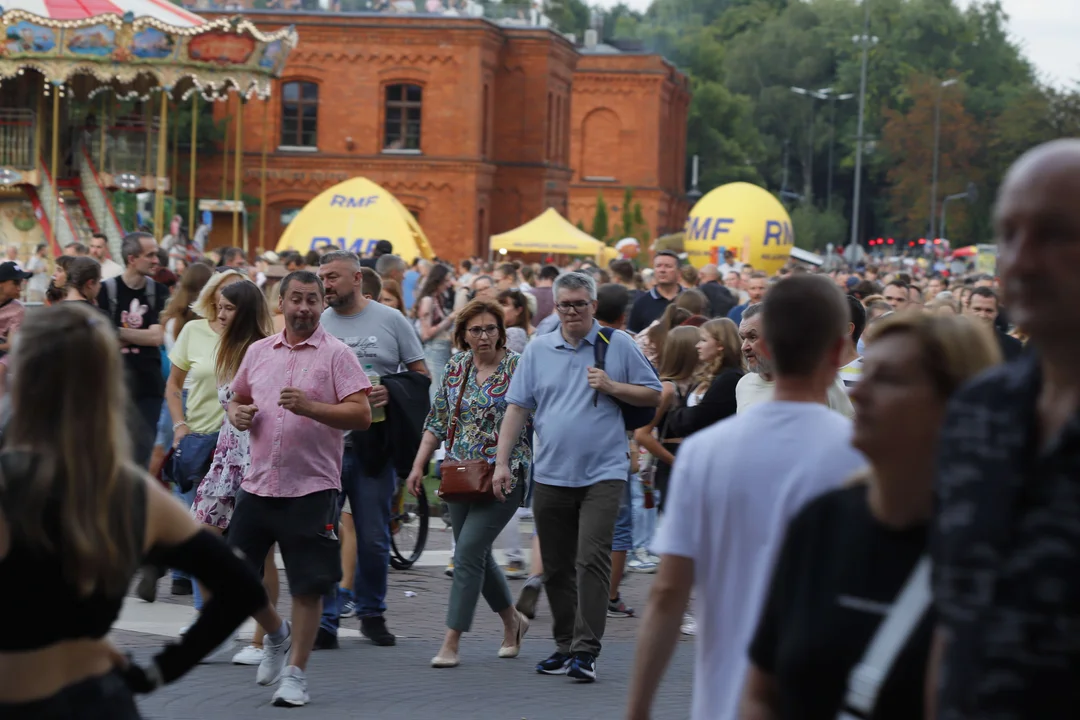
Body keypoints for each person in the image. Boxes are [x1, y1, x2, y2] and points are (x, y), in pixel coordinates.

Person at [0, 303, 270, 719]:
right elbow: (241, 589)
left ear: (21, 378)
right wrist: (157, 672)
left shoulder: (13, 483)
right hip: (100, 700)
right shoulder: (128, 491)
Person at [627, 275, 868, 720]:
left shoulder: (704, 454)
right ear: (837, 353)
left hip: (728, 691)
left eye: (754, 337)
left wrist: (638, 707)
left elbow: (667, 593)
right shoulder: (860, 459)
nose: (747, 346)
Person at [741, 312, 1000, 720]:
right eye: (867, 373)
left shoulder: (990, 550)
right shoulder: (822, 521)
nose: (860, 393)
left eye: (890, 379)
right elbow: (760, 692)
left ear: (955, 402)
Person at [930, 140, 1080, 719]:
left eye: (1054, 233)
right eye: (1010, 234)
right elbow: (952, 622)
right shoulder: (978, 411)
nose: (1022, 259)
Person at [497, 271, 661, 682]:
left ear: (593, 306)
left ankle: (586, 651)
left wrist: (612, 385)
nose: (571, 311)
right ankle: (565, 645)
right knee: (554, 566)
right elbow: (518, 407)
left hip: (603, 472)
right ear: (555, 306)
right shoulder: (539, 349)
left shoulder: (615, 344)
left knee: (591, 559)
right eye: (564, 304)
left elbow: (653, 393)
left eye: (579, 304)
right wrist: (502, 462)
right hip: (551, 472)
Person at [226, 270, 372, 707]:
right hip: (258, 483)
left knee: (308, 587)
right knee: (233, 574)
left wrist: (311, 407)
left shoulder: (337, 355)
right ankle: (275, 634)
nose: (304, 308)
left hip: (311, 488)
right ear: (281, 303)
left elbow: (362, 414)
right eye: (296, 299)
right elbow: (237, 398)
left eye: (311, 299)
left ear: (321, 304)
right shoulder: (258, 351)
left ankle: (296, 675)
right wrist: (237, 414)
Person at [405, 299, 532, 668]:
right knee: (472, 552)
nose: (484, 336)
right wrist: (418, 465)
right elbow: (437, 420)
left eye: (491, 328)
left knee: (466, 553)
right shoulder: (457, 366)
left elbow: (531, 417)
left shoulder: (517, 367)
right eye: (475, 330)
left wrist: (507, 463)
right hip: (460, 474)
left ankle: (451, 642)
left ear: (501, 332)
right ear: (462, 336)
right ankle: (513, 622)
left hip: (503, 476)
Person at [316, 251, 428, 650]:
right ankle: (326, 620)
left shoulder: (391, 320)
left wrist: (391, 390)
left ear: (357, 278)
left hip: (373, 447)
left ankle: (371, 613)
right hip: (324, 447)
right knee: (323, 535)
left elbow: (421, 378)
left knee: (374, 537)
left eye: (333, 277)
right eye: (322, 277)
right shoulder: (318, 322)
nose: (326, 285)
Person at [187, 280, 278, 667]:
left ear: (245, 312)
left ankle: (265, 640)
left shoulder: (263, 350)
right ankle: (219, 627)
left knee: (261, 555)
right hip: (226, 457)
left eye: (227, 308)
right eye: (218, 308)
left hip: (256, 459)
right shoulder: (224, 347)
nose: (220, 315)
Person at [164, 270, 247, 610]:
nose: (227, 307)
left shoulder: (256, 338)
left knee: (238, 537)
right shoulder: (193, 331)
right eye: (223, 299)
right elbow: (172, 385)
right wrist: (179, 425)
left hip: (241, 446)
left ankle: (234, 609)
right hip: (198, 441)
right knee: (202, 534)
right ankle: (207, 614)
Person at [97, 232, 167, 470]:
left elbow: (157, 337)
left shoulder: (158, 291)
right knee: (112, 454)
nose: (156, 260)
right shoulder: (106, 290)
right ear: (132, 258)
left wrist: (118, 332)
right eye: (151, 255)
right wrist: (141, 335)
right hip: (113, 386)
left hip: (149, 388)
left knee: (141, 456)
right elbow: (103, 339)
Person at [736, 303, 855, 418]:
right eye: (743, 338)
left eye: (752, 337)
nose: (744, 347)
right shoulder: (744, 385)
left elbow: (849, 431)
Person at [633, 326, 700, 513]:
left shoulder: (697, 384)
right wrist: (675, 462)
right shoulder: (668, 388)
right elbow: (642, 434)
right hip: (672, 463)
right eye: (699, 343)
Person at [662, 317, 745, 438]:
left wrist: (681, 415)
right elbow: (676, 420)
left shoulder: (730, 378)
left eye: (703, 340)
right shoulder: (705, 375)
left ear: (720, 344)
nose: (697, 346)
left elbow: (700, 418)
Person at [415, 263, 457, 401]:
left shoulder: (438, 298)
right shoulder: (428, 301)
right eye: (446, 280)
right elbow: (426, 334)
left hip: (441, 351)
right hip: (434, 352)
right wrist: (449, 319)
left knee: (442, 394)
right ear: (437, 280)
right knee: (436, 396)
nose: (449, 284)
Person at [628, 251, 682, 333]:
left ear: (678, 271)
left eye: (668, 266)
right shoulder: (641, 302)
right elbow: (633, 336)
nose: (662, 270)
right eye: (658, 266)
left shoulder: (691, 299)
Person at [965, 286, 1023, 361]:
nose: (983, 315)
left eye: (989, 310)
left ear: (997, 312)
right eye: (977, 309)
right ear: (968, 308)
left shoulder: (1013, 345)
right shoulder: (953, 343)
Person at [0, 262, 30, 353]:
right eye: (15, 283)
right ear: (1, 283)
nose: (19, 288)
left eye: (20, 283)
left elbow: (11, 345)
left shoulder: (18, 310)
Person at [498, 288, 534, 353]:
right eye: (497, 304)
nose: (498, 308)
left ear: (518, 310)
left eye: (504, 305)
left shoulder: (515, 334)